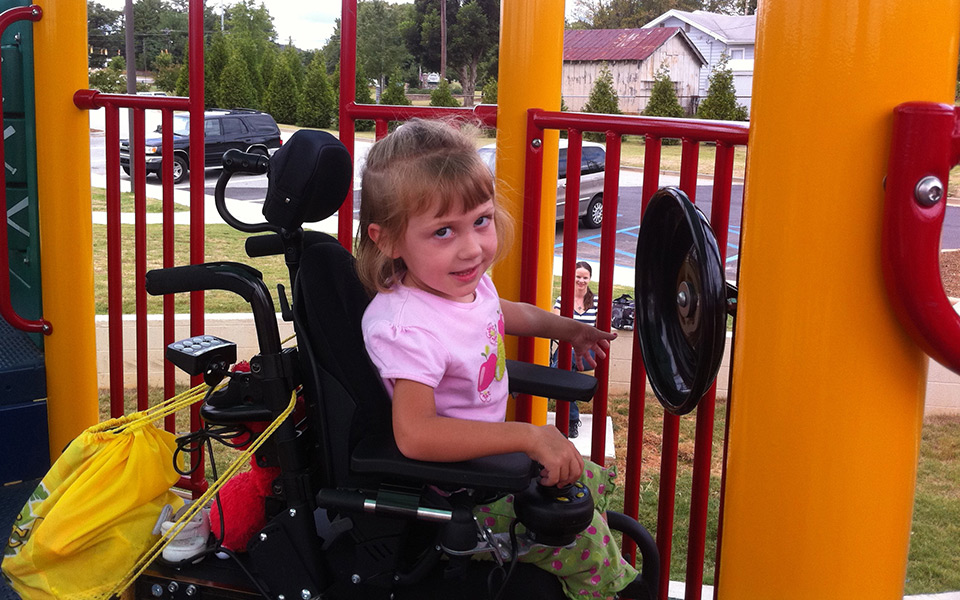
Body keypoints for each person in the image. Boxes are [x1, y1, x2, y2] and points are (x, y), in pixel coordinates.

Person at [357, 119, 639, 599]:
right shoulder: (408, 327)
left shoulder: (457, 284)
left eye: (481, 220)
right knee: (589, 546)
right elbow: (415, 433)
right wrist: (529, 436)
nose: (472, 248)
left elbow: (502, 312)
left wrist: (569, 329)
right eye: (444, 231)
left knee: (589, 485)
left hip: (493, 466)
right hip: (460, 492)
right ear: (387, 240)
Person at [552, 261, 598, 439]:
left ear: (590, 279)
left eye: (585, 277)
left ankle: (551, 378)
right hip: (565, 350)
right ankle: (572, 419)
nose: (581, 281)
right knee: (566, 371)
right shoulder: (562, 299)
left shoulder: (596, 302)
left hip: (588, 353)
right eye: (578, 277)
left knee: (561, 368)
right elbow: (556, 325)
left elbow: (599, 331)